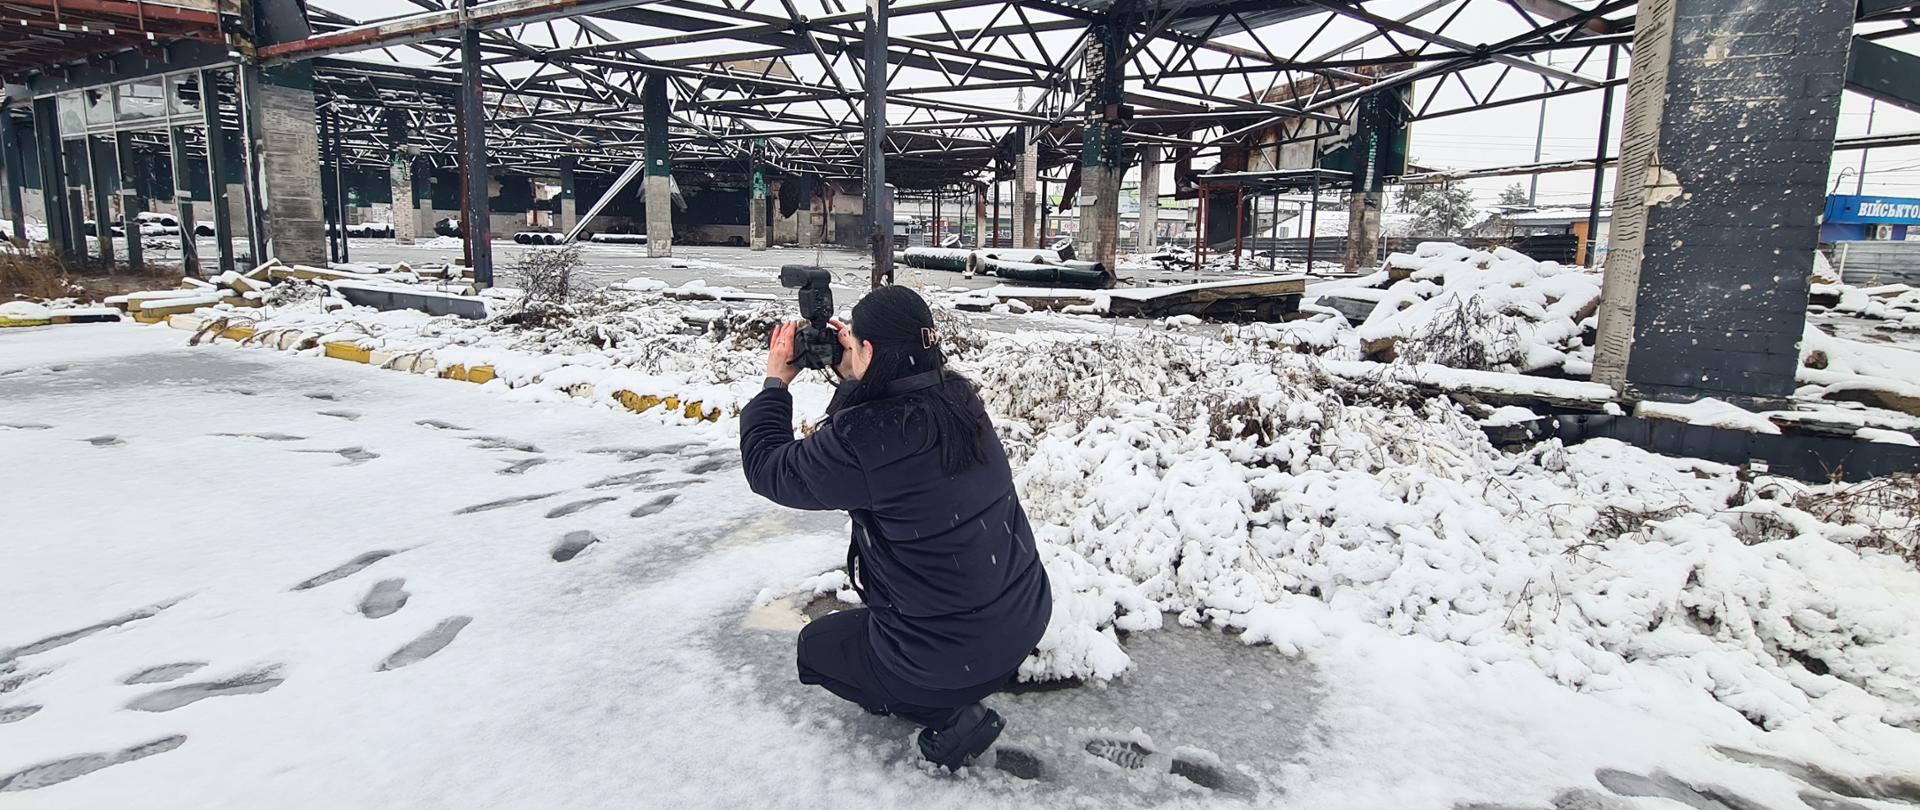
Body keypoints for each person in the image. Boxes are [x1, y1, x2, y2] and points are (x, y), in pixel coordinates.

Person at [740, 285, 1052, 770]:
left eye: (853, 343)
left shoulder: (865, 439)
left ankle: (946, 713)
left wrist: (775, 385)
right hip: (1022, 618)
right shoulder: (959, 399)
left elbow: (768, 469)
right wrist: (857, 375)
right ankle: (954, 680)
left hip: (953, 655)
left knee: (817, 650)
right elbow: (886, 430)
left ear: (867, 350)